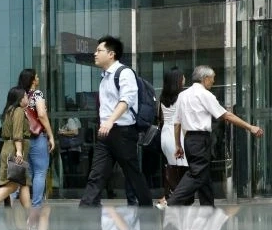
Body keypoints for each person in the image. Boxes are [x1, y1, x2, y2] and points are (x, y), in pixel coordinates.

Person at [167, 65, 264, 207]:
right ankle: (171, 202)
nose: (213, 82)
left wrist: (178, 145)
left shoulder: (183, 95)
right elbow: (226, 115)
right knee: (196, 174)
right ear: (205, 78)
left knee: (204, 176)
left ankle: (208, 209)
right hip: (200, 140)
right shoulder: (205, 95)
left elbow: (177, 123)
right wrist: (250, 127)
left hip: (189, 140)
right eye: (212, 79)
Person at [79, 36, 152, 208]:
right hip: (106, 133)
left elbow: (126, 100)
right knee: (96, 174)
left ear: (111, 54)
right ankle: (86, 208)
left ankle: (147, 209)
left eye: (99, 51)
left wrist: (110, 121)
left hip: (123, 132)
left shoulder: (124, 73)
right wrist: (105, 124)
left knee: (132, 174)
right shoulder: (104, 78)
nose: (95, 54)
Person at [12, 69, 55, 211]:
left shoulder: (19, 96)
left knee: (22, 171)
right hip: (37, 138)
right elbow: (41, 115)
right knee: (40, 172)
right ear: (32, 80)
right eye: (36, 76)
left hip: (22, 138)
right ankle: (36, 205)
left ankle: (11, 199)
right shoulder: (37, 94)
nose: (38, 78)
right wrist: (50, 135)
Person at [0, 87, 32, 210]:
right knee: (13, 184)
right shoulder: (18, 111)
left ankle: (29, 212)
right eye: (25, 96)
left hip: (8, 147)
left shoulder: (9, 110)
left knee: (23, 182)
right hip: (15, 149)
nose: (27, 98)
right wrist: (19, 152)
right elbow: (17, 134)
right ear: (20, 99)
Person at [156, 67, 189, 209]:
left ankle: (169, 197)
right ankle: (170, 199)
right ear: (178, 80)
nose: (184, 79)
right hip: (178, 134)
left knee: (172, 167)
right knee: (182, 169)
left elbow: (161, 117)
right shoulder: (183, 96)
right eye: (183, 76)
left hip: (165, 134)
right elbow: (183, 119)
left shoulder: (163, 97)